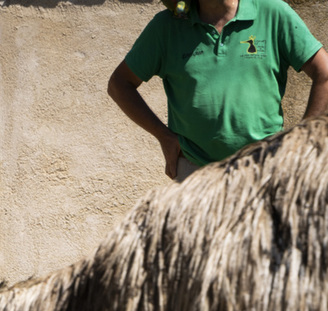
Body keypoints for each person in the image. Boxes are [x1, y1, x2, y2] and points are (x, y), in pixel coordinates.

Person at [108, 0, 328, 181]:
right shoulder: (169, 25)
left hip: (266, 171)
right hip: (196, 174)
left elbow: (324, 73)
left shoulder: (272, 12)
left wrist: (301, 143)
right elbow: (119, 84)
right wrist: (163, 135)